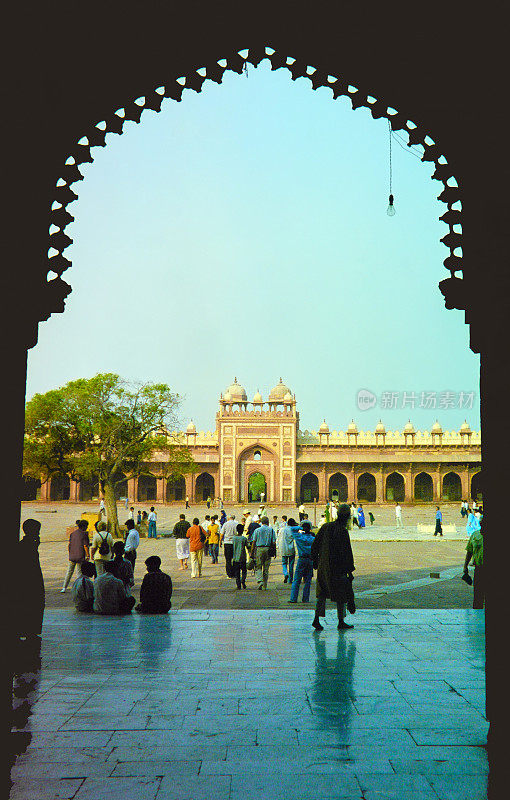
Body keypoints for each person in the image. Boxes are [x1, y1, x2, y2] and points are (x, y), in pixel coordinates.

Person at [311, 503, 355, 631]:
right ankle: (341, 621)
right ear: (346, 517)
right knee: (341, 595)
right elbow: (347, 553)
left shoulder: (326, 527)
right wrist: (349, 571)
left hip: (324, 566)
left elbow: (315, 545)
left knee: (322, 594)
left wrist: (315, 561)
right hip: (338, 569)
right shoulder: (342, 531)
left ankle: (316, 619)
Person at [17, 519, 45, 637]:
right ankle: (30, 629)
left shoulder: (28, 544)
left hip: (30, 579)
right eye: (37, 531)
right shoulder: (27, 546)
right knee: (32, 604)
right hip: (30, 580)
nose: (38, 534)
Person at [288, 520, 315, 603]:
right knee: (308, 581)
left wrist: (301, 527)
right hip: (310, 559)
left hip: (302, 558)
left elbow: (292, 529)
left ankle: (293, 598)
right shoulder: (313, 538)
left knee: (296, 580)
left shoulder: (299, 537)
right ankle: (305, 598)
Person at [61, 519, 90, 592]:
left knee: (69, 571)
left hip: (72, 555)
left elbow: (69, 545)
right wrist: (88, 555)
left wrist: (70, 553)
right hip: (80, 555)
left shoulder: (72, 534)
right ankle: (79, 587)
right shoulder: (84, 534)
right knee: (79, 572)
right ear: (84, 526)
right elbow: (85, 546)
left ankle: (64, 587)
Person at [250, 516, 276, 590]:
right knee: (266, 568)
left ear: (261, 522)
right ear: (268, 522)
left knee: (258, 566)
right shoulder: (271, 530)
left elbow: (253, 542)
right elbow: (274, 542)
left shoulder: (257, 530)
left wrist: (252, 552)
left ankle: (260, 580)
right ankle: (265, 585)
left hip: (259, 549)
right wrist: (274, 552)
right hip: (268, 549)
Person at [463, 517, 484, 608]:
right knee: (478, 595)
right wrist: (465, 566)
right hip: (479, 570)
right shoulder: (475, 535)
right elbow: (469, 551)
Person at [279, 517, 296, 584]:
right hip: (291, 549)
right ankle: (290, 580)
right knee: (291, 565)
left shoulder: (282, 529)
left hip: (283, 548)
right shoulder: (293, 530)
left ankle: (286, 573)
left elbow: (278, 539)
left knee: (284, 563)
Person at [232, 523, 249, 589]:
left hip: (235, 558)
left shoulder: (234, 538)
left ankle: (238, 585)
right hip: (242, 558)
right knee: (244, 571)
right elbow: (248, 547)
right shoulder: (244, 539)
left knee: (237, 572)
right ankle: (243, 581)